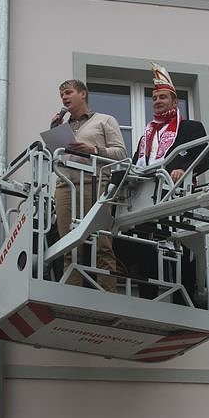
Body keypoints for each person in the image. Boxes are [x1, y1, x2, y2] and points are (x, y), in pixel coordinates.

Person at [121, 63, 209, 301]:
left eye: (163, 97)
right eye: (154, 98)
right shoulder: (147, 135)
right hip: (145, 201)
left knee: (182, 247)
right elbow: (137, 166)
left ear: (175, 102)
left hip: (176, 199)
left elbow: (206, 160)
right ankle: (147, 297)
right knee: (142, 247)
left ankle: (186, 298)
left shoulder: (190, 127)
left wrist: (183, 169)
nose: (157, 101)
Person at [50, 79, 127, 291]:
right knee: (69, 246)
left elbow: (121, 154)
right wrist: (53, 130)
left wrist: (94, 150)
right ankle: (72, 295)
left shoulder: (104, 120)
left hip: (94, 183)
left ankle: (108, 294)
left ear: (83, 94)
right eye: (62, 95)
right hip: (65, 186)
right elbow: (55, 159)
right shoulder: (62, 126)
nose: (64, 97)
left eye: (68, 92)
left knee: (101, 243)